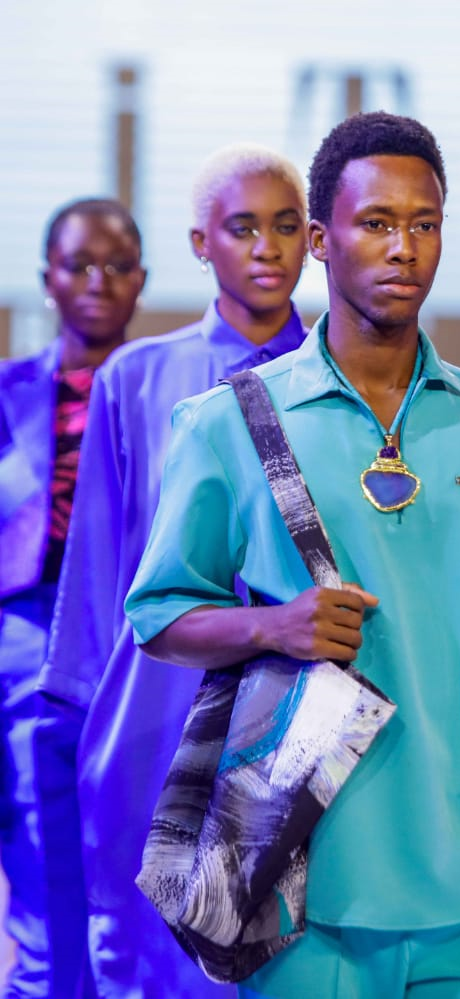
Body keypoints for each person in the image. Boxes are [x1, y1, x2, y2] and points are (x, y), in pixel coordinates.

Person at [125, 111, 460, 998]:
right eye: (377, 222)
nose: (403, 248)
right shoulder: (228, 422)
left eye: (425, 224)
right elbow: (158, 614)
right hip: (307, 890)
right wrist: (273, 625)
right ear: (320, 239)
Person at [37, 145, 309, 998]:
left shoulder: (341, 375)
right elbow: (99, 569)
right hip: (153, 709)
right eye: (243, 227)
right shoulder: (137, 376)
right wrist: (80, 724)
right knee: (150, 960)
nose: (267, 246)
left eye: (286, 225)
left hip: (296, 714)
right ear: (200, 242)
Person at [0, 197, 146, 996]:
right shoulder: (8, 391)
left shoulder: (163, 387)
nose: (97, 282)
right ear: (47, 278)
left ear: (142, 280)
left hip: (134, 630)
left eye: (117, 266)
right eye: (79, 265)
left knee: (131, 852)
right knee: (40, 842)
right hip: (25, 624)